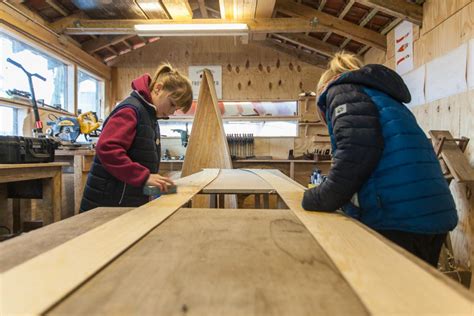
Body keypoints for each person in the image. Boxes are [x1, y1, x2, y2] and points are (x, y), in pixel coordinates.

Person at [301, 52, 458, 267]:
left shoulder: (340, 92)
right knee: (416, 295)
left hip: (399, 218)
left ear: (323, 88)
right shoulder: (383, 97)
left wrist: (317, 197)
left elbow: (354, 156)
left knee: (388, 295)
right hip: (433, 211)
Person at [80, 64, 192, 212]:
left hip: (125, 199)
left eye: (175, 109)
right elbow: (108, 149)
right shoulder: (131, 111)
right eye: (172, 104)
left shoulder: (149, 115)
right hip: (108, 202)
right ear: (158, 88)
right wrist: (143, 177)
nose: (171, 112)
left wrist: (155, 184)